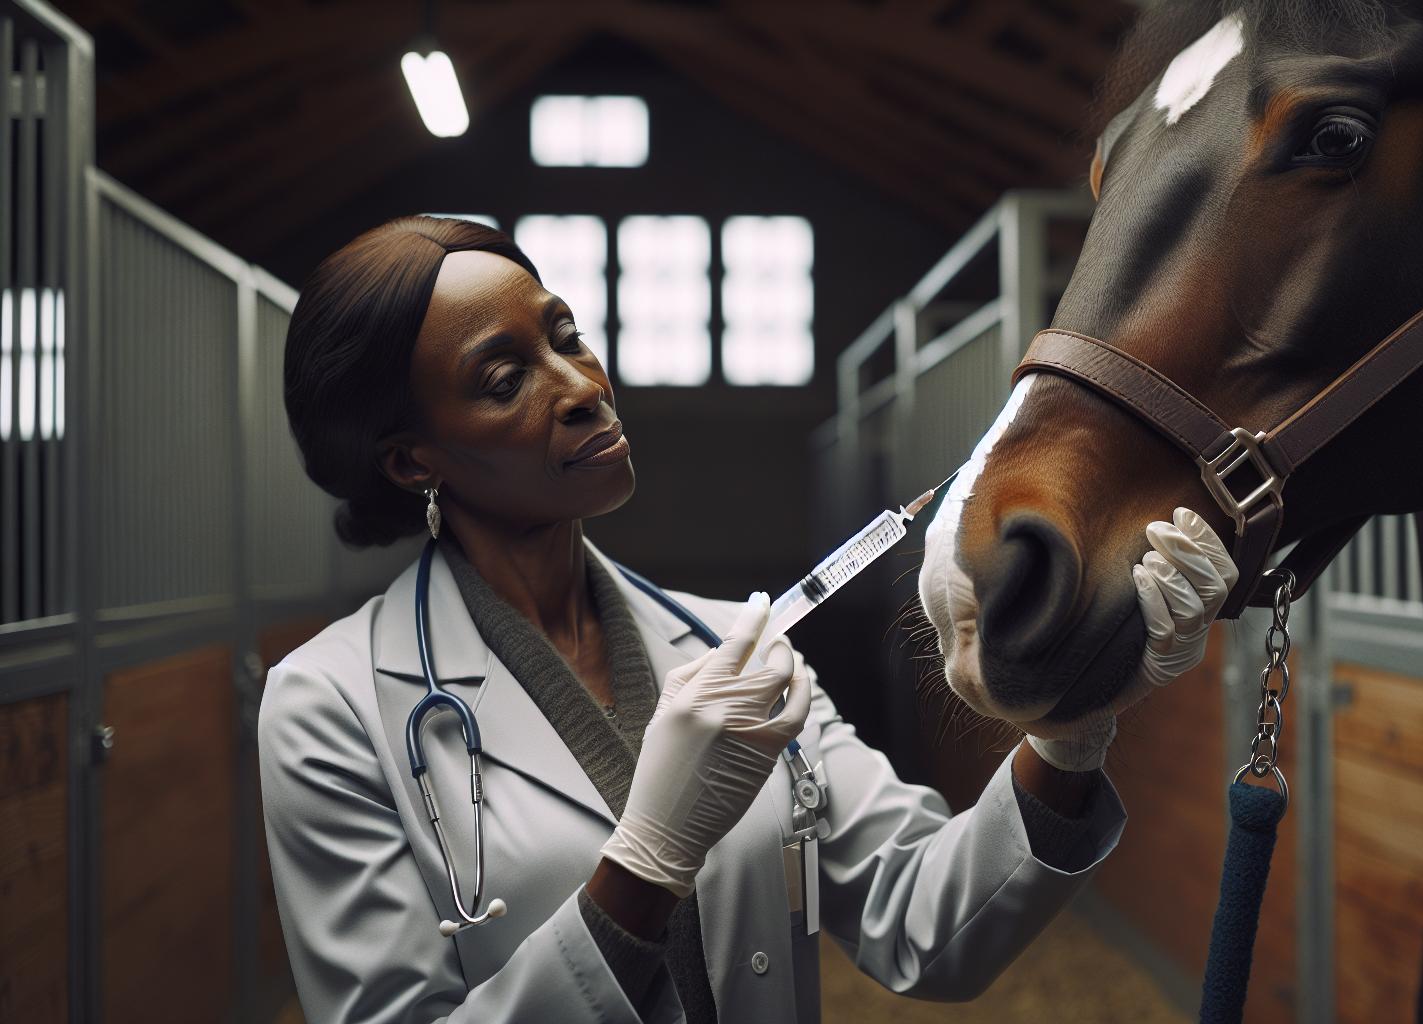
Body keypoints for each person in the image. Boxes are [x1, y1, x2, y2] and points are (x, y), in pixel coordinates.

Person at [259, 215, 1239, 1023]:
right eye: (503, 377)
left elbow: (925, 920)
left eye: (565, 335)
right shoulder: (329, 704)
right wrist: (646, 862)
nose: (581, 388)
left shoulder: (743, 650)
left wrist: (1072, 730)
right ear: (410, 460)